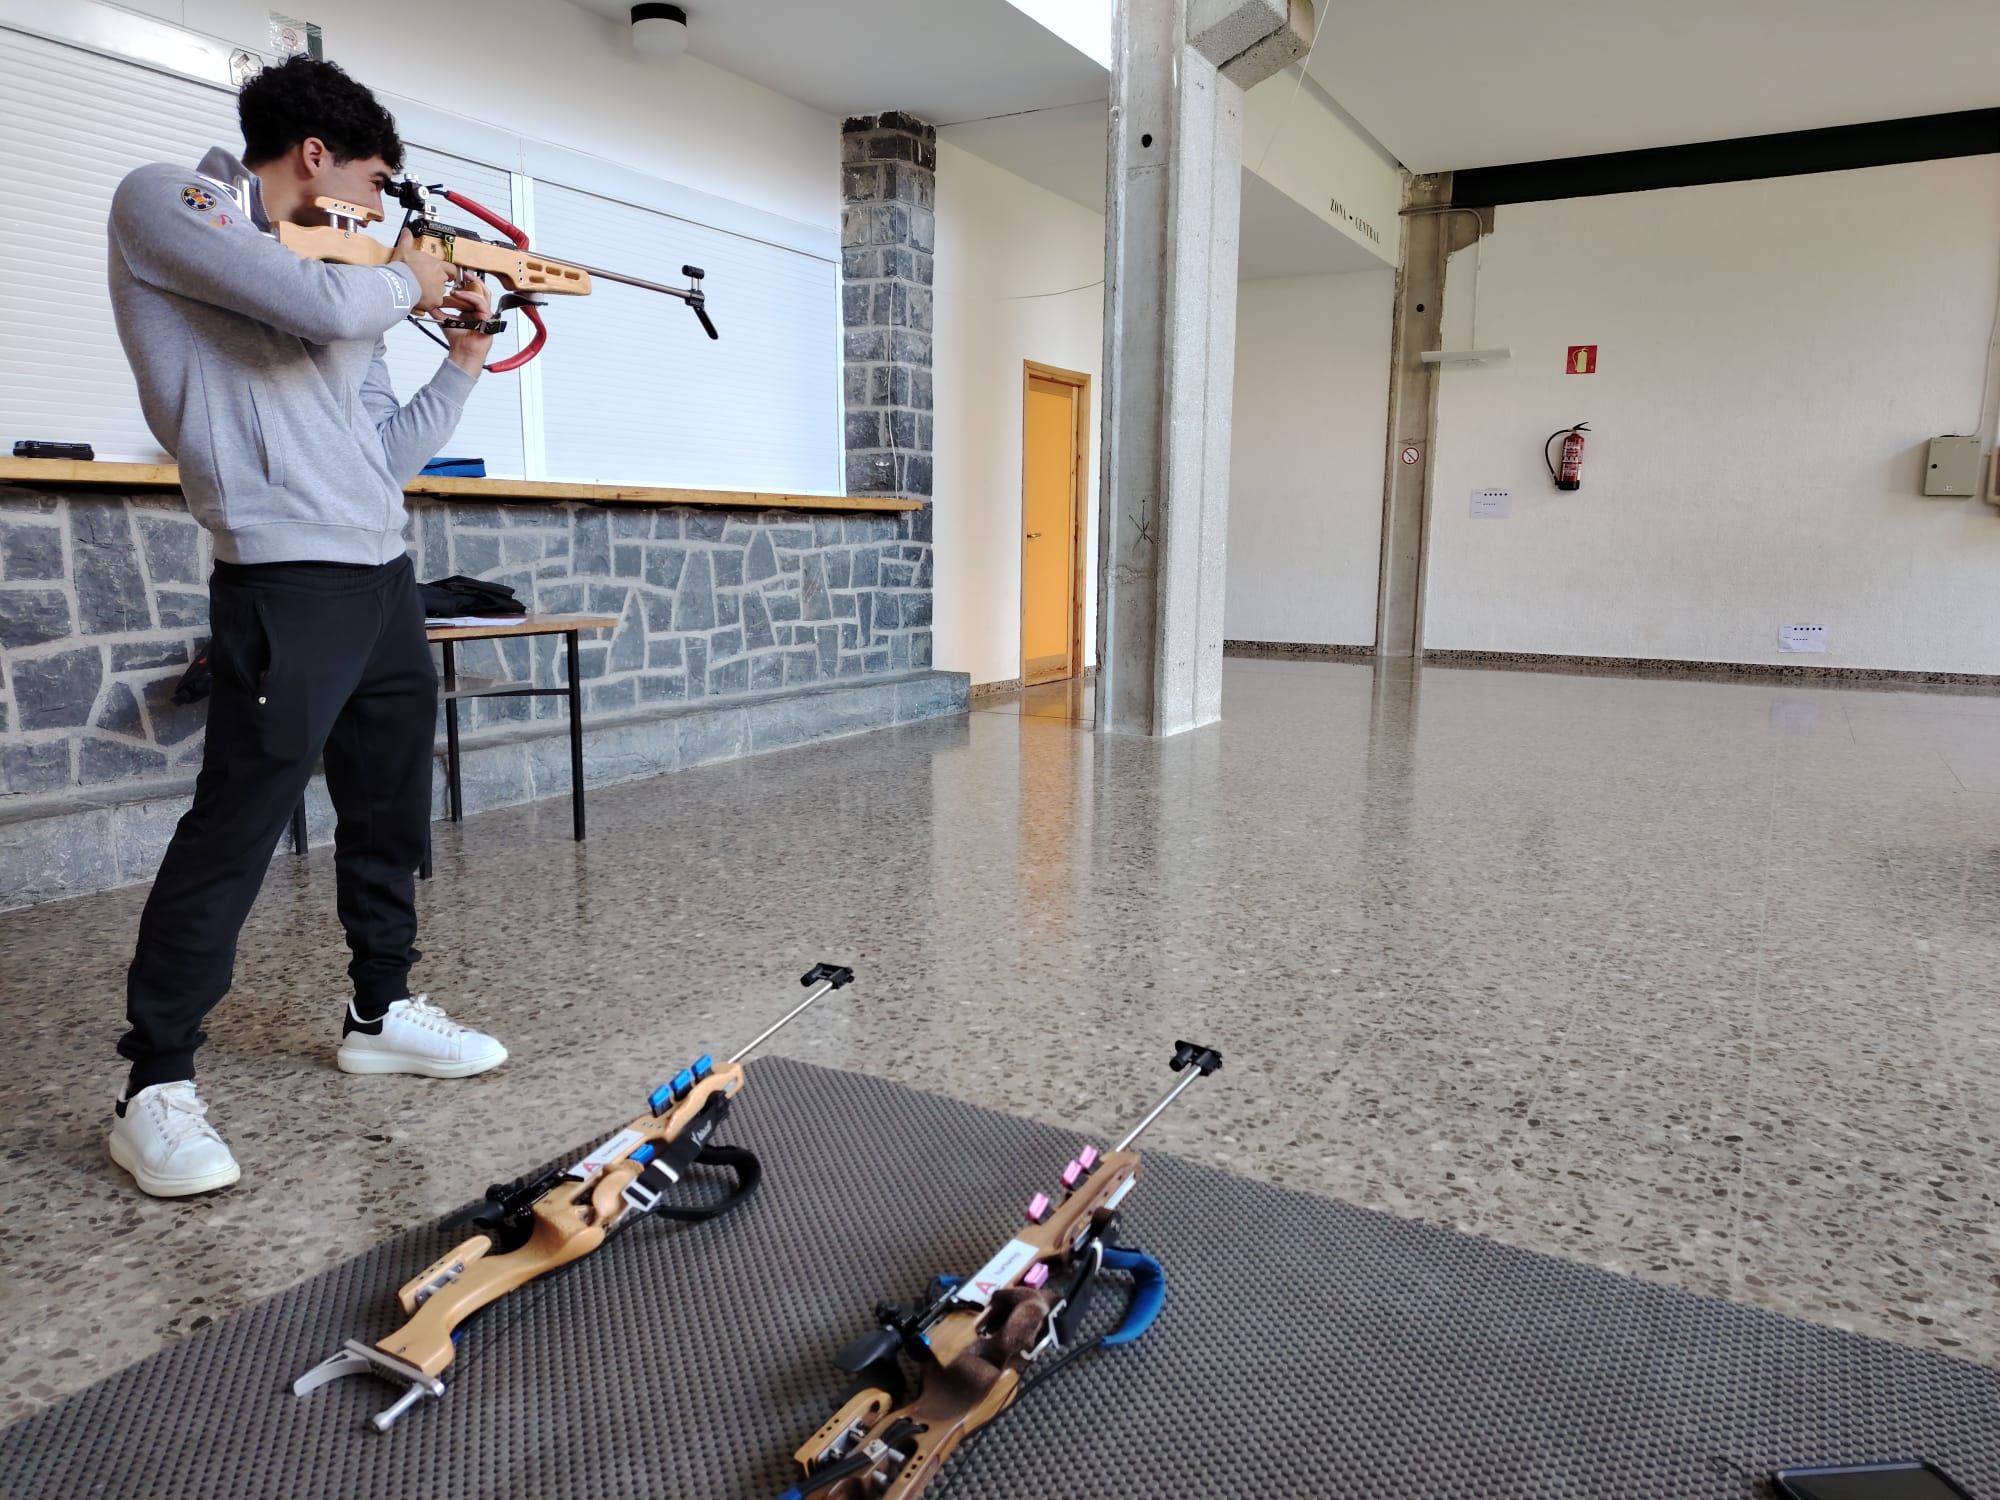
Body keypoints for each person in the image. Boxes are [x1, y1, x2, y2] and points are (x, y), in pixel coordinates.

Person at [103, 56, 508, 1198]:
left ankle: (379, 1007)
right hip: (281, 582)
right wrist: (409, 274)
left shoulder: (344, 280)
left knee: (389, 807)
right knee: (235, 828)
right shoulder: (170, 206)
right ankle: (154, 1085)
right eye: (375, 187)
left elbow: (385, 456)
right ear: (315, 157)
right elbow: (334, 298)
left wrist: (465, 361)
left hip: (381, 580)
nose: (379, 215)